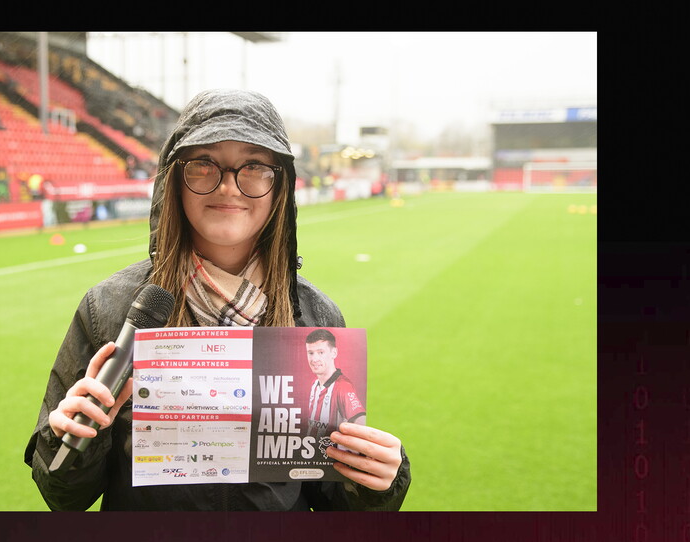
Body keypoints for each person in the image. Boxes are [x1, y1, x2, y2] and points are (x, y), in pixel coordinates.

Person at [24, 88, 410, 511]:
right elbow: (64, 496)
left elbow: (333, 496)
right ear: (174, 179)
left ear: (279, 185)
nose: (228, 186)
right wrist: (70, 440)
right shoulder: (108, 309)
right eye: (204, 164)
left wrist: (376, 480)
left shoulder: (316, 316)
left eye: (254, 166)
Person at [303, 329, 366, 441]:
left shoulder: (342, 386)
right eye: (311, 353)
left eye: (321, 352)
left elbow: (360, 421)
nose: (314, 359)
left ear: (334, 353)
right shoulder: (314, 384)